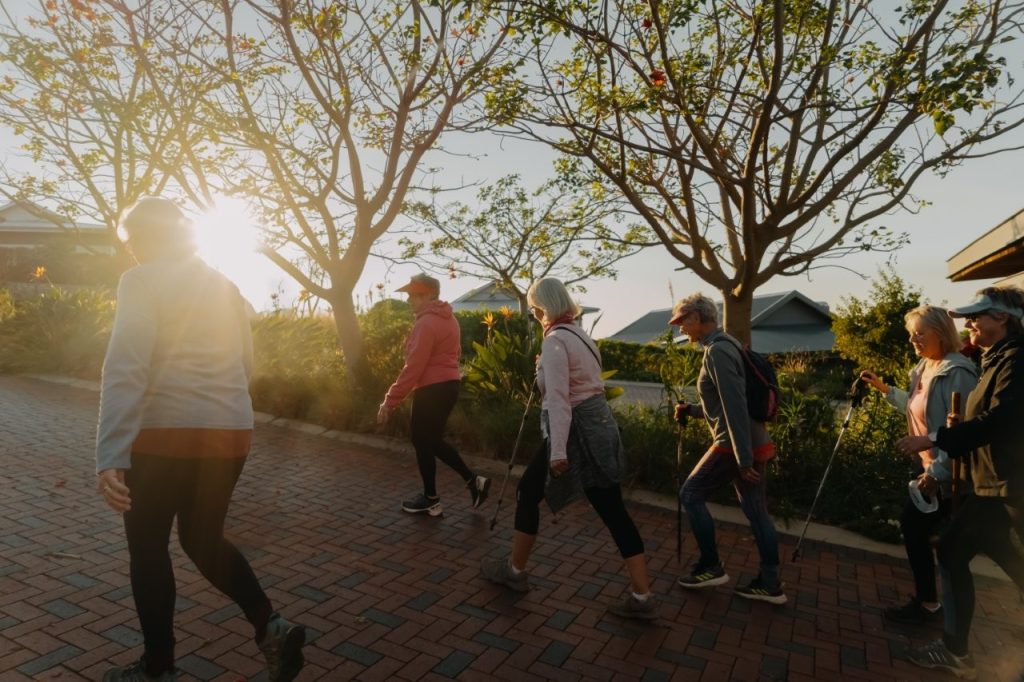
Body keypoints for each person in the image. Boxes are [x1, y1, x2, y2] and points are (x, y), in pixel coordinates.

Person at [95, 198, 305, 682]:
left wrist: (110, 454)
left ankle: (158, 667)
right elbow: (246, 363)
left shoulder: (141, 280)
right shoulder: (224, 284)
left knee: (149, 548)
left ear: (143, 237)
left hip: (165, 434)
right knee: (202, 538)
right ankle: (270, 626)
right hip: (230, 432)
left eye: (132, 240)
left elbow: (126, 367)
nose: (131, 250)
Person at [480, 277, 658, 620]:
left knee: (528, 492)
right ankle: (642, 595)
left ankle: (515, 572)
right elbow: (579, 383)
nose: (534, 315)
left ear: (541, 308)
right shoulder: (579, 336)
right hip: (598, 428)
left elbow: (560, 400)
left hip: (574, 433)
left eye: (534, 309)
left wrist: (558, 451)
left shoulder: (555, 341)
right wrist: (544, 366)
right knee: (612, 510)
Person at [898, 286, 1024, 679]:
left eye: (975, 316)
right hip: (994, 482)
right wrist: (959, 426)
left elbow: (1001, 421)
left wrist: (936, 438)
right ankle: (955, 649)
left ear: (1001, 317)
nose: (968, 324)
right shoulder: (997, 357)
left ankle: (956, 652)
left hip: (1007, 481)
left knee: (952, 551)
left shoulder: (1015, 358)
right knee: (988, 550)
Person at [859, 305, 978, 626]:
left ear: (941, 333)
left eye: (920, 333)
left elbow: (963, 431)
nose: (913, 339)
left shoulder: (958, 372)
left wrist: (937, 473)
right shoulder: (925, 367)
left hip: (951, 477)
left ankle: (931, 608)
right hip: (930, 472)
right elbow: (918, 410)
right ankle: (930, 605)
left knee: (922, 532)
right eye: (911, 333)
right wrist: (886, 390)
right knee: (923, 534)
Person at [669, 293, 786, 604]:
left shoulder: (717, 351)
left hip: (734, 445)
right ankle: (770, 583)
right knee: (757, 512)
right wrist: (693, 410)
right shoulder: (729, 344)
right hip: (753, 440)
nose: (680, 327)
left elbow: (735, 406)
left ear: (697, 318)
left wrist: (743, 459)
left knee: (690, 494)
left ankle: (711, 567)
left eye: (682, 321)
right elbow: (726, 403)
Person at [378, 272, 490, 516]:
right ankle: (473, 482)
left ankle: (431, 499)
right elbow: (454, 354)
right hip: (449, 386)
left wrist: (390, 401)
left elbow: (414, 367)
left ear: (429, 294)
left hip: (431, 389)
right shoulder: (450, 319)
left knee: (422, 440)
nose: (409, 299)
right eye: (409, 294)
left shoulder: (426, 323)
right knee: (431, 440)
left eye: (414, 294)